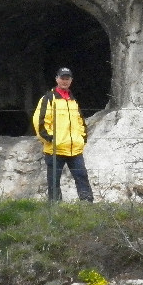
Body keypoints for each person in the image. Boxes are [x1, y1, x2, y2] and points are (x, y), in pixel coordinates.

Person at [32, 68, 94, 202]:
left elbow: (80, 122)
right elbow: (40, 121)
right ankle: (55, 209)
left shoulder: (73, 101)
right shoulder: (48, 98)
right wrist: (50, 139)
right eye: (62, 78)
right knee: (54, 182)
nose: (65, 81)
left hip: (75, 149)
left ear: (71, 80)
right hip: (55, 149)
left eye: (67, 78)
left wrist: (82, 139)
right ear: (57, 79)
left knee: (82, 177)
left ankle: (87, 205)